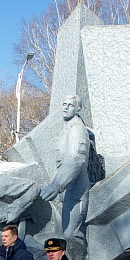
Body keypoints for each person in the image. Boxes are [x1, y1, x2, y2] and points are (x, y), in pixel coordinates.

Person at [39, 95, 91, 252]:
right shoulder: (67, 129)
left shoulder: (77, 129)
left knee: (71, 235)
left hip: (77, 191)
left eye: (70, 105)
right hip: (68, 191)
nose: (66, 107)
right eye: (64, 104)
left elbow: (76, 159)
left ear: (77, 109)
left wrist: (57, 185)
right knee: (65, 237)